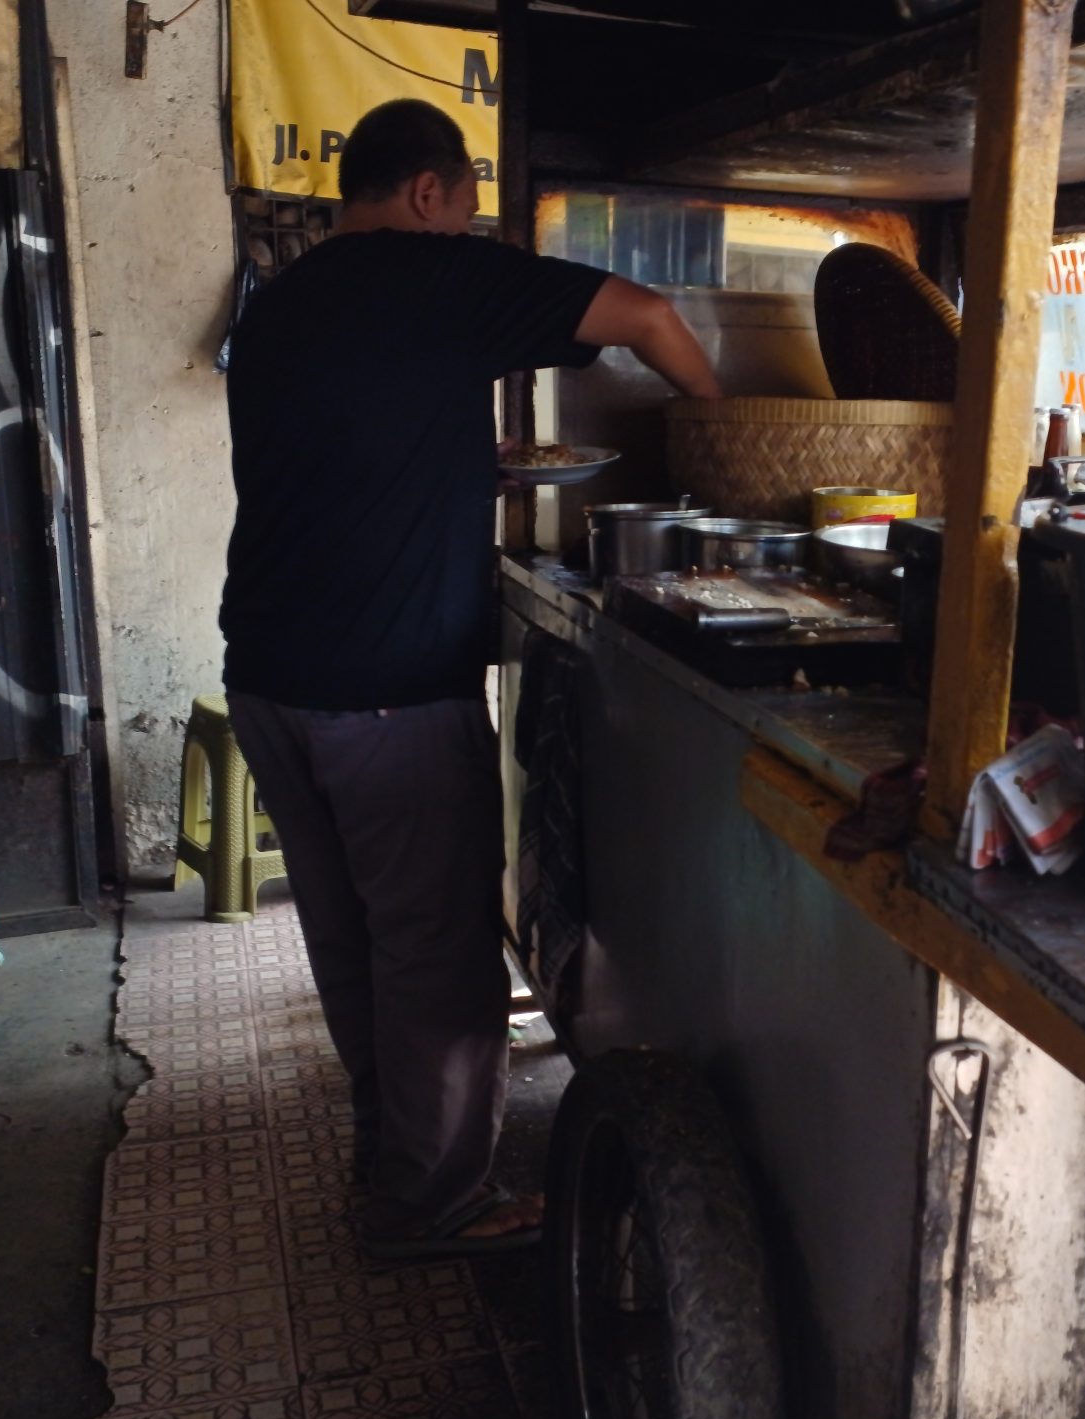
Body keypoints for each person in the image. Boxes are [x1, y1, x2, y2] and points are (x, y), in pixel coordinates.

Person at [219, 98, 719, 1260]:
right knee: (436, 953)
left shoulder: (282, 303)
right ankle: (438, 1200)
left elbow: (343, 448)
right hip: (384, 691)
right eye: (470, 209)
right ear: (432, 191)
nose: (470, 230)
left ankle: (392, 1147)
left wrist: (453, 468)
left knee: (350, 938)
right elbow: (646, 314)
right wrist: (725, 439)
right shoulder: (431, 273)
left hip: (270, 679)